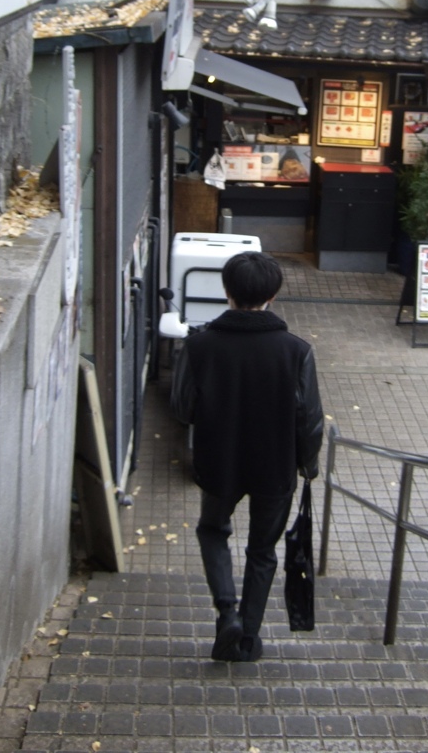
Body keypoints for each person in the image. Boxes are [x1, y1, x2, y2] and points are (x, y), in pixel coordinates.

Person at [171, 251, 324, 663]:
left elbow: (182, 409)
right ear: (273, 294)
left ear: (227, 291)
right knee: (262, 550)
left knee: (213, 529)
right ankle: (248, 636)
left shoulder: (200, 346)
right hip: (275, 466)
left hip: (218, 461)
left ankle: (226, 614)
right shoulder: (296, 351)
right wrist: (308, 465)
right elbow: (309, 420)